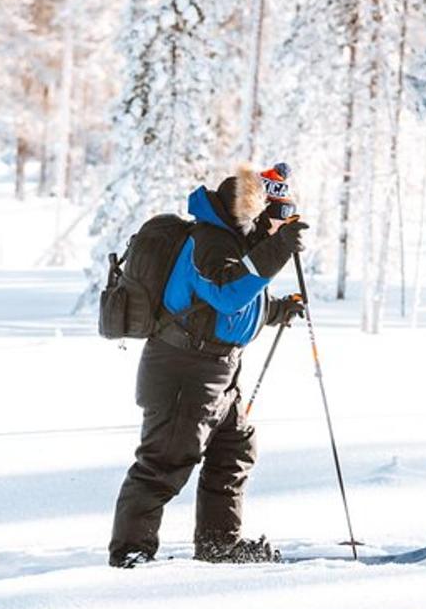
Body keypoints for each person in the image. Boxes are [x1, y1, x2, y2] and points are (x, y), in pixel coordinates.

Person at [108, 163, 307, 567]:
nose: (280, 221)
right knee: (164, 463)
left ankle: (220, 545)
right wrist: (279, 248)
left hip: (217, 371)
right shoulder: (208, 240)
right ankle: (131, 554)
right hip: (182, 368)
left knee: (234, 449)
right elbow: (226, 293)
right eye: (276, 213)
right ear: (253, 212)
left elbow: (234, 303)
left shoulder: (234, 241)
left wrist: (277, 310)